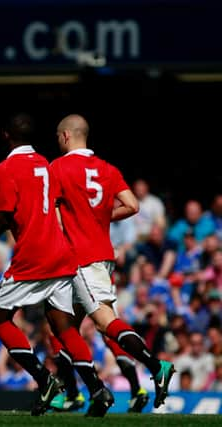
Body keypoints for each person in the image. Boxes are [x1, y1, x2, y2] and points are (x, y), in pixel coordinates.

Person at [0, 113, 113, 417]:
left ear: (6, 135)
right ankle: (97, 388)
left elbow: (6, 214)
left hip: (33, 256)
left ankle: (45, 380)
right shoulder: (46, 163)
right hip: (61, 253)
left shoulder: (5, 168)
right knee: (63, 326)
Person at [49, 113, 175, 411]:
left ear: (66, 136)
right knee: (60, 323)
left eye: (57, 136)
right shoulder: (107, 169)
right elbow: (132, 205)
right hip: (103, 255)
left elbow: (53, 215)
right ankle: (86, 393)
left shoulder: (58, 168)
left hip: (80, 259)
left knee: (104, 322)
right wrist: (100, 217)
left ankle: (156, 367)